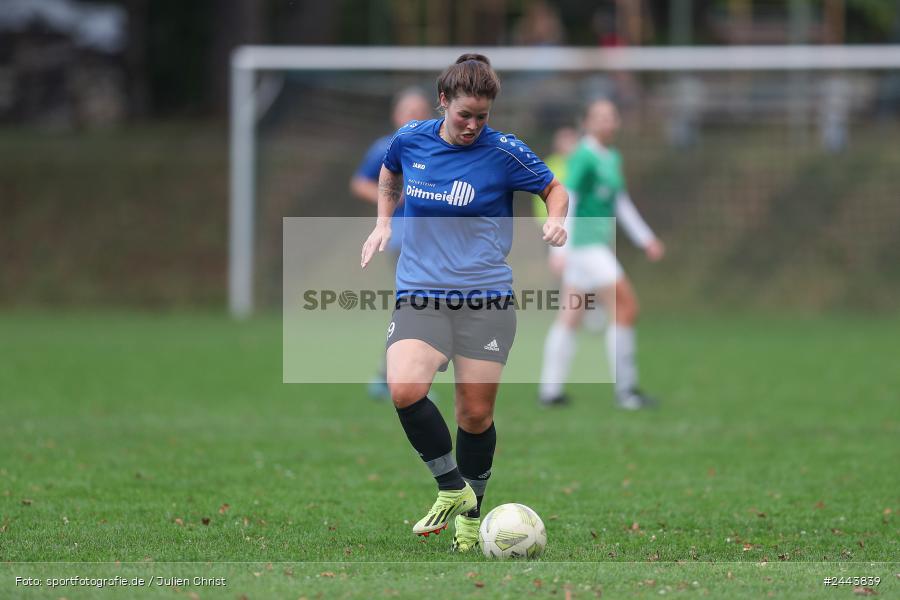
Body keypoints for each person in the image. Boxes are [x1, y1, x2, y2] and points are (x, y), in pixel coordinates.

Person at [360, 54, 568, 552]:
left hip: (486, 299)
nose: (473, 124)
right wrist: (384, 221)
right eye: (464, 115)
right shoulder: (411, 138)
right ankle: (452, 489)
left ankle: (472, 516)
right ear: (443, 103)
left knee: (473, 416)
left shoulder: (505, 152)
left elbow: (553, 187)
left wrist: (557, 218)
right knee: (405, 388)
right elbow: (390, 173)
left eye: (482, 115)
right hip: (421, 293)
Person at [538, 99, 664, 410]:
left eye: (612, 116)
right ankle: (627, 390)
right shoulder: (583, 155)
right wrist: (560, 248)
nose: (608, 122)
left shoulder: (611, 157)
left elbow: (621, 202)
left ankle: (550, 390)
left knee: (571, 316)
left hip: (594, 248)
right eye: (601, 117)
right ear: (588, 122)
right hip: (585, 246)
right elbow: (570, 199)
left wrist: (646, 239)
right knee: (626, 306)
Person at [350, 88, 432, 400]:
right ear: (396, 116)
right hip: (401, 238)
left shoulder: (437, 149)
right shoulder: (385, 147)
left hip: (435, 239)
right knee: (418, 305)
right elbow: (360, 183)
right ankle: (399, 379)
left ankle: (391, 376)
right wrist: (392, 200)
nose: (414, 116)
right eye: (408, 111)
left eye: (420, 110)